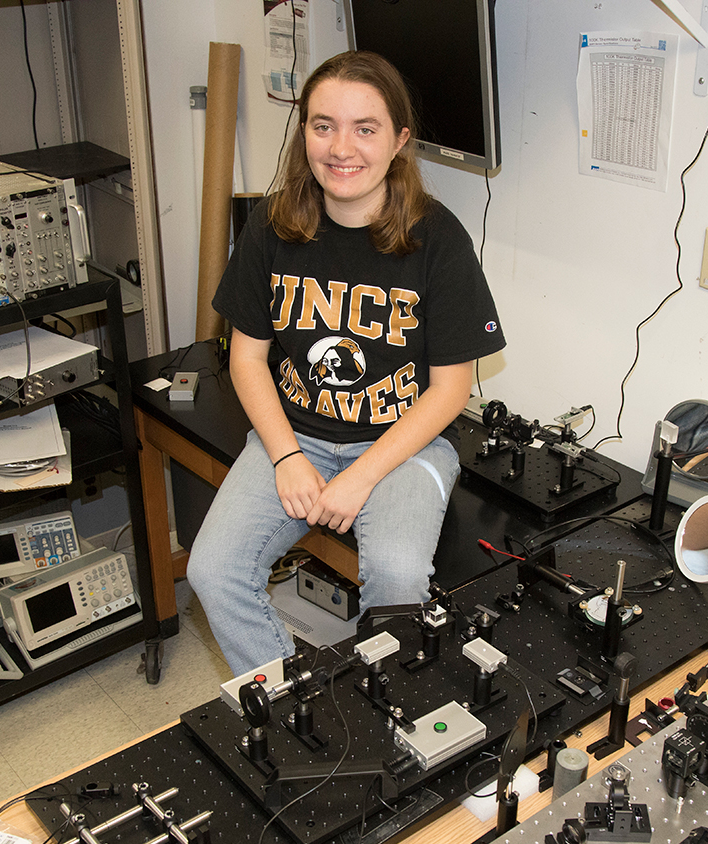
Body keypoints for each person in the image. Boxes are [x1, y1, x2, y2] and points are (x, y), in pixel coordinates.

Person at [187, 51, 506, 675]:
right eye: (322, 124)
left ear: (399, 141)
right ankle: (288, 704)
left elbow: (450, 391)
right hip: (294, 435)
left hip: (403, 447)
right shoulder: (271, 228)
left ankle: (374, 712)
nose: (341, 147)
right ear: (302, 130)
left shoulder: (439, 240)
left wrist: (360, 478)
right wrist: (286, 457)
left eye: (366, 128)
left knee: (398, 574)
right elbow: (246, 358)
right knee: (213, 570)